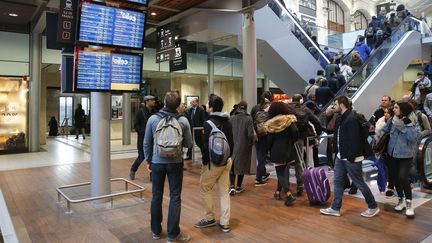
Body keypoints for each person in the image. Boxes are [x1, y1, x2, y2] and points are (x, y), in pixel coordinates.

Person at [144, 91, 193, 243]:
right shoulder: (183, 121)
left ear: (164, 102)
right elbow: (189, 144)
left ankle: (156, 231)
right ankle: (173, 234)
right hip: (176, 163)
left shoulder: (152, 119)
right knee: (175, 197)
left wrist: (148, 161)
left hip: (157, 162)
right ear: (178, 105)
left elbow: (146, 142)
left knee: (156, 196)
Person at [320, 95, 379, 218]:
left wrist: (351, 157)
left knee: (359, 182)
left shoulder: (351, 119)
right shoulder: (341, 117)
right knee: (338, 181)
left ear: (342, 105)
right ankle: (335, 208)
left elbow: (354, 140)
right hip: (341, 156)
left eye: (335, 105)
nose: (333, 107)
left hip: (351, 158)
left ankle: (373, 206)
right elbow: (335, 133)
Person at [194, 94, 233, 233]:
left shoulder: (208, 123)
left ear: (210, 107)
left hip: (213, 164)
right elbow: (232, 144)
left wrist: (205, 164)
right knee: (224, 192)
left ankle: (209, 218)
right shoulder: (228, 121)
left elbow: (205, 148)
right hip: (226, 161)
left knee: (205, 187)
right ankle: (225, 222)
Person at [379, 100, 419, 218]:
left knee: (403, 177)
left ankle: (409, 204)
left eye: (396, 107)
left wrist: (406, 126)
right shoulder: (393, 120)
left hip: (406, 155)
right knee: (395, 178)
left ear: (403, 109)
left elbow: (413, 138)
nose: (394, 109)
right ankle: (400, 200)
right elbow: (384, 131)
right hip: (392, 154)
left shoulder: (413, 121)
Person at [264, 102, 299, 206]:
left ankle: (288, 194)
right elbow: (295, 131)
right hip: (288, 148)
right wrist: (293, 140)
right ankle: (278, 192)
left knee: (280, 172)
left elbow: (269, 140)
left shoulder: (270, 123)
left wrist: (268, 149)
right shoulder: (289, 119)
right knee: (284, 170)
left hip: (276, 149)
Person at [229, 101, 255, 195]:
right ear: (246, 107)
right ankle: (239, 187)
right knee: (242, 166)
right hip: (244, 146)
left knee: (232, 166)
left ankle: (232, 186)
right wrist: (251, 143)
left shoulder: (231, 118)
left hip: (232, 145)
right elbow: (250, 134)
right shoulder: (249, 119)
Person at [129, 96, 156, 180]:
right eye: (152, 100)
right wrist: (142, 132)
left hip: (152, 140)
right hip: (142, 139)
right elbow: (136, 125)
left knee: (152, 158)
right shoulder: (140, 112)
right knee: (141, 156)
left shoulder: (155, 112)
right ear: (147, 101)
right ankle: (133, 170)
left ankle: (153, 176)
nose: (154, 102)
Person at [251, 91, 272, 186]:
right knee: (262, 157)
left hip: (256, 135)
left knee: (260, 155)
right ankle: (258, 179)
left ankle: (263, 173)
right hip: (265, 134)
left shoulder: (255, 107)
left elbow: (251, 121)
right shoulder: (269, 107)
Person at [374, 106, 395, 197]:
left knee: (391, 170)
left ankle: (390, 187)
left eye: (388, 113)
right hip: (382, 149)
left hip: (391, 149)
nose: (386, 114)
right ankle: (383, 186)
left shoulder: (394, 123)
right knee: (381, 169)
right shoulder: (380, 122)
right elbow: (378, 137)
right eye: (385, 112)